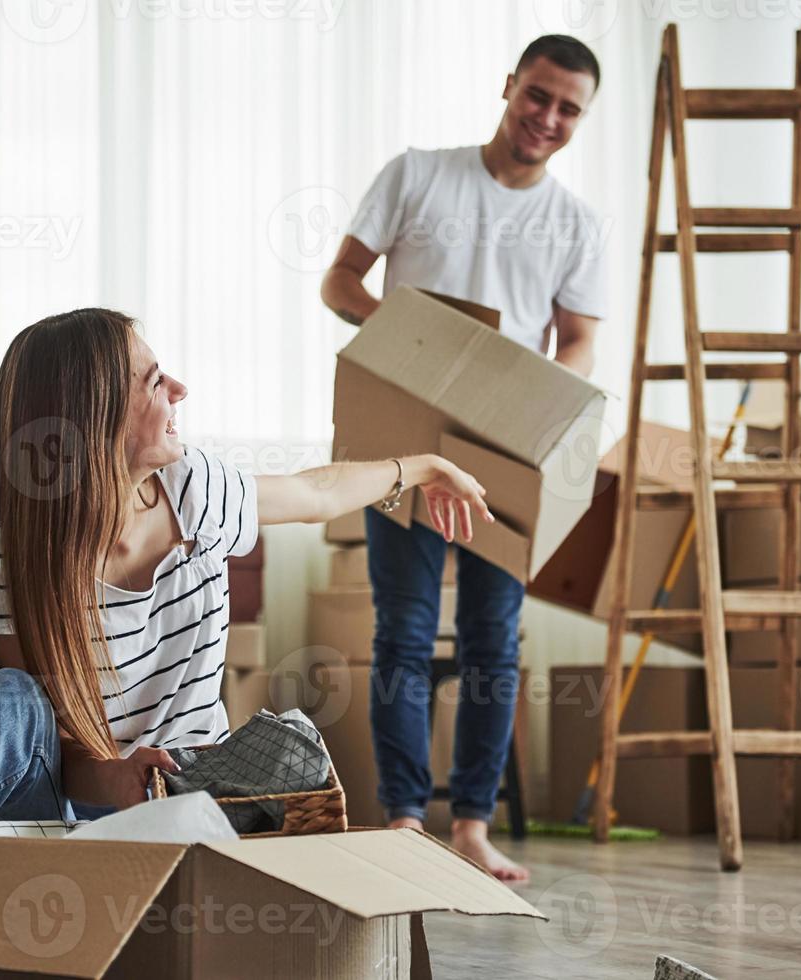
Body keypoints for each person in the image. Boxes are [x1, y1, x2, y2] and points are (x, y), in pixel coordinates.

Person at [0, 307, 493, 825]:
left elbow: (316, 493)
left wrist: (426, 467)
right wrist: (113, 778)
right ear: (94, 415)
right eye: (155, 381)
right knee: (11, 699)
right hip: (70, 799)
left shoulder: (194, 489)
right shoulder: (9, 556)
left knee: (296, 750)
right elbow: (54, 750)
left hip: (189, 790)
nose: (179, 390)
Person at [320, 35, 607, 881]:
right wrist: (403, 345)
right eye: (537, 96)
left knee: (493, 641)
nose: (546, 119)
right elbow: (340, 280)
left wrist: (540, 390)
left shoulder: (574, 224)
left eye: (567, 110)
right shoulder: (417, 175)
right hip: (402, 439)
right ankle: (406, 819)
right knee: (402, 634)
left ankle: (472, 829)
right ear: (509, 85)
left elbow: (581, 340)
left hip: (507, 448)